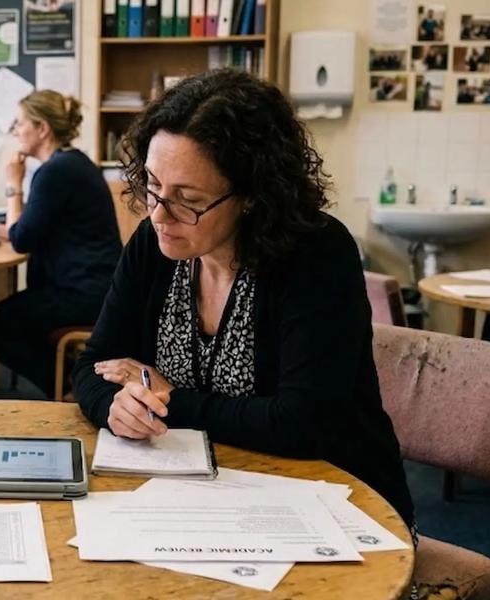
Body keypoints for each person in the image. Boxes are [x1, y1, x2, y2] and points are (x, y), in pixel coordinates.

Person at [71, 70, 414, 529]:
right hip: (211, 499)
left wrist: (170, 398)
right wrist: (115, 406)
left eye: (187, 198)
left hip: (339, 503)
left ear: (251, 196)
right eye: (152, 185)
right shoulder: (155, 244)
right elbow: (93, 366)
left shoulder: (315, 254)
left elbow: (302, 424)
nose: (158, 213)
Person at [0, 90, 121, 399]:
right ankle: (71, 382)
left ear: (42, 128)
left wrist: (13, 184)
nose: (15, 130)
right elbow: (33, 230)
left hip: (81, 293)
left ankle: (67, 387)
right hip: (95, 287)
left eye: (20, 123)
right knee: (12, 319)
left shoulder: (54, 172)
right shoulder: (71, 164)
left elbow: (22, 239)